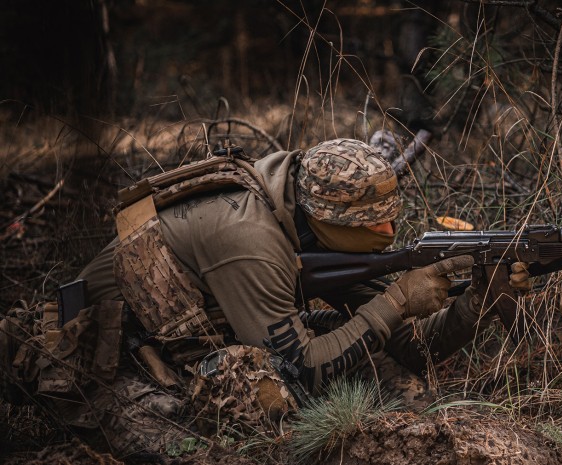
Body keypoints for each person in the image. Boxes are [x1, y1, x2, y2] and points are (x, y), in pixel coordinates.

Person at [0, 138, 530, 457]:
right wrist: (394, 302)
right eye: (375, 223)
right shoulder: (250, 240)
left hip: (185, 341)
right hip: (95, 358)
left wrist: (479, 298)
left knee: (366, 356)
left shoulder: (313, 224)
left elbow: (411, 349)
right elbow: (298, 368)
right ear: (328, 221)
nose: (389, 230)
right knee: (233, 444)